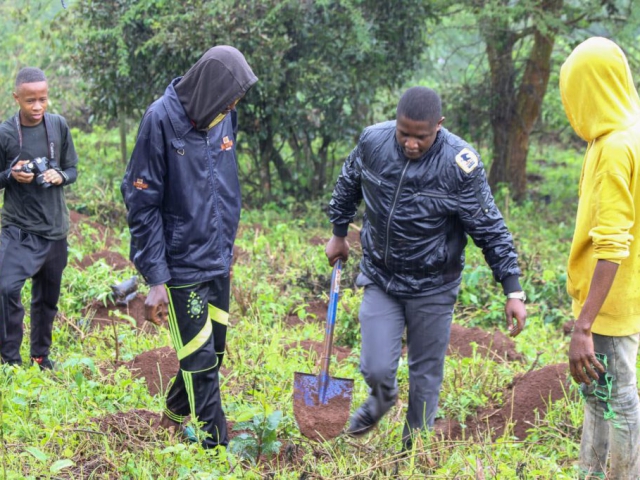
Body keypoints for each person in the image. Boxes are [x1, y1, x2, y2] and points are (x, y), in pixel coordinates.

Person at [325, 86, 527, 449]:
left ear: (439, 126)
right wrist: (339, 233)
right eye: (404, 134)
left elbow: (488, 226)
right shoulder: (373, 141)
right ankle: (382, 398)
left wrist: (512, 289)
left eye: (421, 136)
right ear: (396, 123)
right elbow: (348, 183)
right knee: (375, 367)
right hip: (382, 276)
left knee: (425, 375)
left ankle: (412, 452)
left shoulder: (460, 164)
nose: (411, 144)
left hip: (434, 284)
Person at [121, 46, 257, 449]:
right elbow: (141, 204)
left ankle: (173, 416)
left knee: (214, 349)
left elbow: (224, 182)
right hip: (181, 265)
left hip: (217, 255)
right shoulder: (159, 120)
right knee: (199, 359)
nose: (232, 107)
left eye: (235, 101)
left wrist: (227, 239)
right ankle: (216, 446)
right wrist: (157, 278)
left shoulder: (222, 112)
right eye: (229, 98)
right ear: (209, 88)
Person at [560, 37, 640, 479]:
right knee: (600, 394)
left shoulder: (614, 149)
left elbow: (612, 244)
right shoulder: (628, 131)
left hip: (607, 304)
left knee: (618, 396)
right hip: (624, 294)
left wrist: (584, 325)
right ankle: (590, 474)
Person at [0, 67, 78, 370]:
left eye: (42, 100)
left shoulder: (58, 125)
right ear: (16, 98)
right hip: (19, 230)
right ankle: (10, 361)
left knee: (46, 300)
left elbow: (72, 168)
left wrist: (59, 175)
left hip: (55, 229)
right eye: (30, 100)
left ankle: (40, 357)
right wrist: (11, 175)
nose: (36, 107)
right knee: (5, 289)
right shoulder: (6, 133)